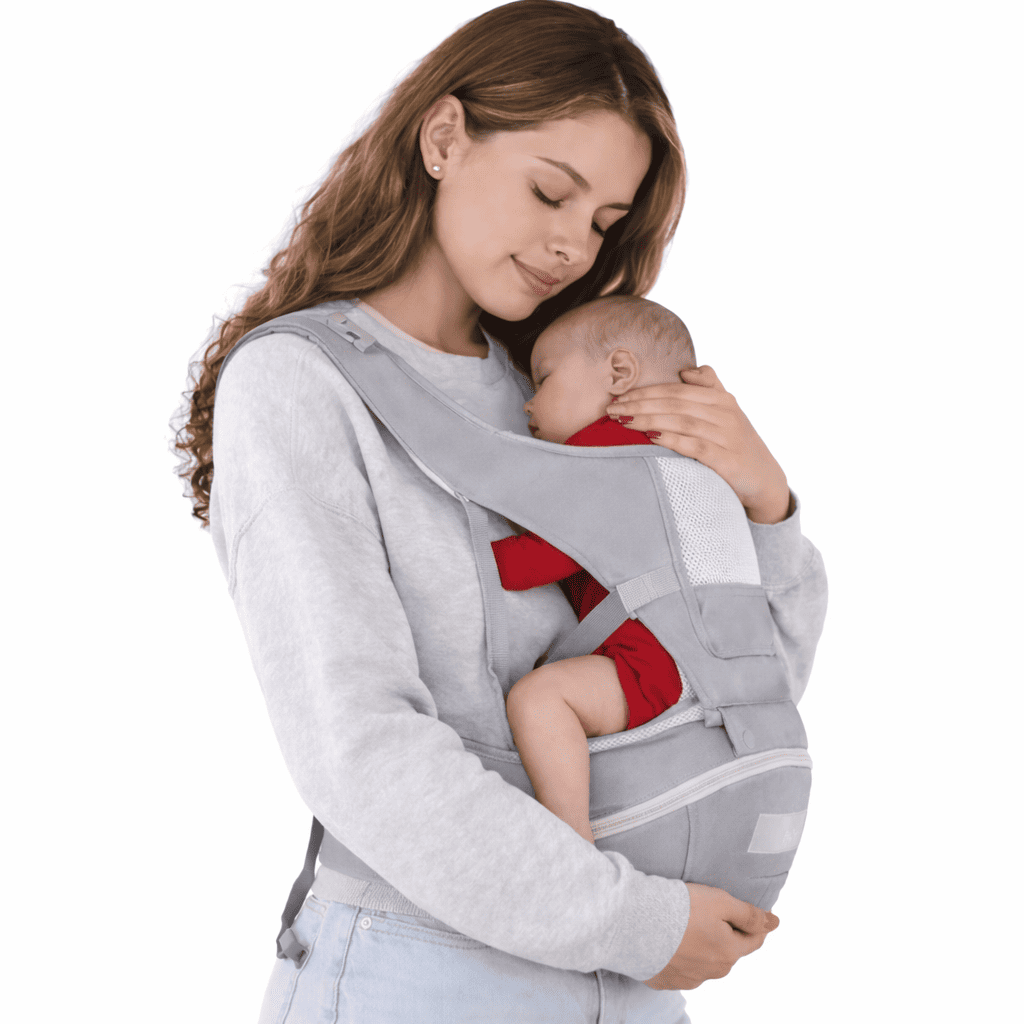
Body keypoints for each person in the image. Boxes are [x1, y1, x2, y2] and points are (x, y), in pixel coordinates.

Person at [174, 2, 827, 1020]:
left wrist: (765, 507)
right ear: (444, 138)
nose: (572, 245)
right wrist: (630, 921)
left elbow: (727, 691)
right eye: (549, 192)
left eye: (602, 223)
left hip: (631, 977)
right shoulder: (301, 385)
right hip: (419, 970)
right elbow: (360, 747)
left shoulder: (567, 397)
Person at [491, 295, 698, 845]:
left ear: (619, 374)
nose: (529, 403)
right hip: (692, 660)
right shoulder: (673, 454)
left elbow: (539, 559)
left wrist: (473, 553)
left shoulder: (606, 451)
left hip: (650, 663)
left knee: (538, 699)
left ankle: (570, 843)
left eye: (544, 379)